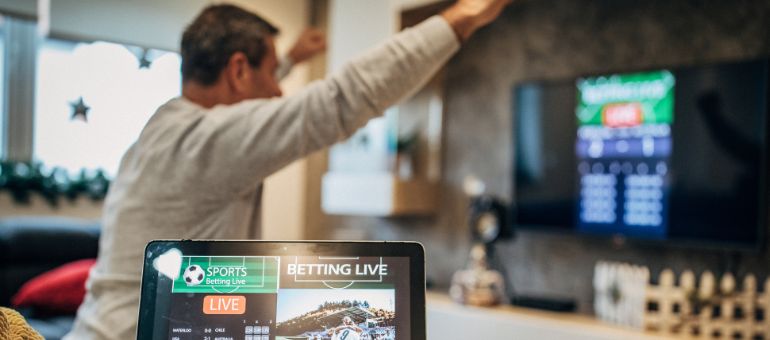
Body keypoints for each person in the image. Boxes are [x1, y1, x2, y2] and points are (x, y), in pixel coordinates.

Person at [64, 0, 511, 339]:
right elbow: (341, 99)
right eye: (270, 74)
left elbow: (246, 101)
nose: (278, 91)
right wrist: (463, 16)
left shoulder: (167, 129)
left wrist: (287, 59)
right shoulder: (208, 141)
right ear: (238, 69)